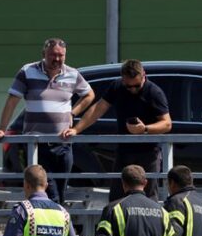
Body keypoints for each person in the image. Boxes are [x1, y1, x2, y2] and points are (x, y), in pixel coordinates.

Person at [0, 38, 95, 204]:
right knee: (49, 191)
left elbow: (89, 95)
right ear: (43, 54)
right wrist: (1, 128)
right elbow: (12, 100)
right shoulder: (28, 71)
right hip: (37, 144)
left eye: (61, 56)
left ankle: (57, 225)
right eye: (53, 55)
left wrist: (73, 113)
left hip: (63, 144)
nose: (57, 59)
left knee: (60, 191)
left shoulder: (72, 74)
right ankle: (54, 224)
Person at [61, 59, 172, 201]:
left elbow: (167, 124)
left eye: (136, 86)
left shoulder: (153, 92)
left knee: (148, 196)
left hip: (148, 153)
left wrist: (144, 129)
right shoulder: (117, 86)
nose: (132, 89)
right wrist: (76, 129)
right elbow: (98, 109)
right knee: (117, 196)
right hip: (123, 151)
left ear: (144, 75)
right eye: (128, 86)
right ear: (122, 79)